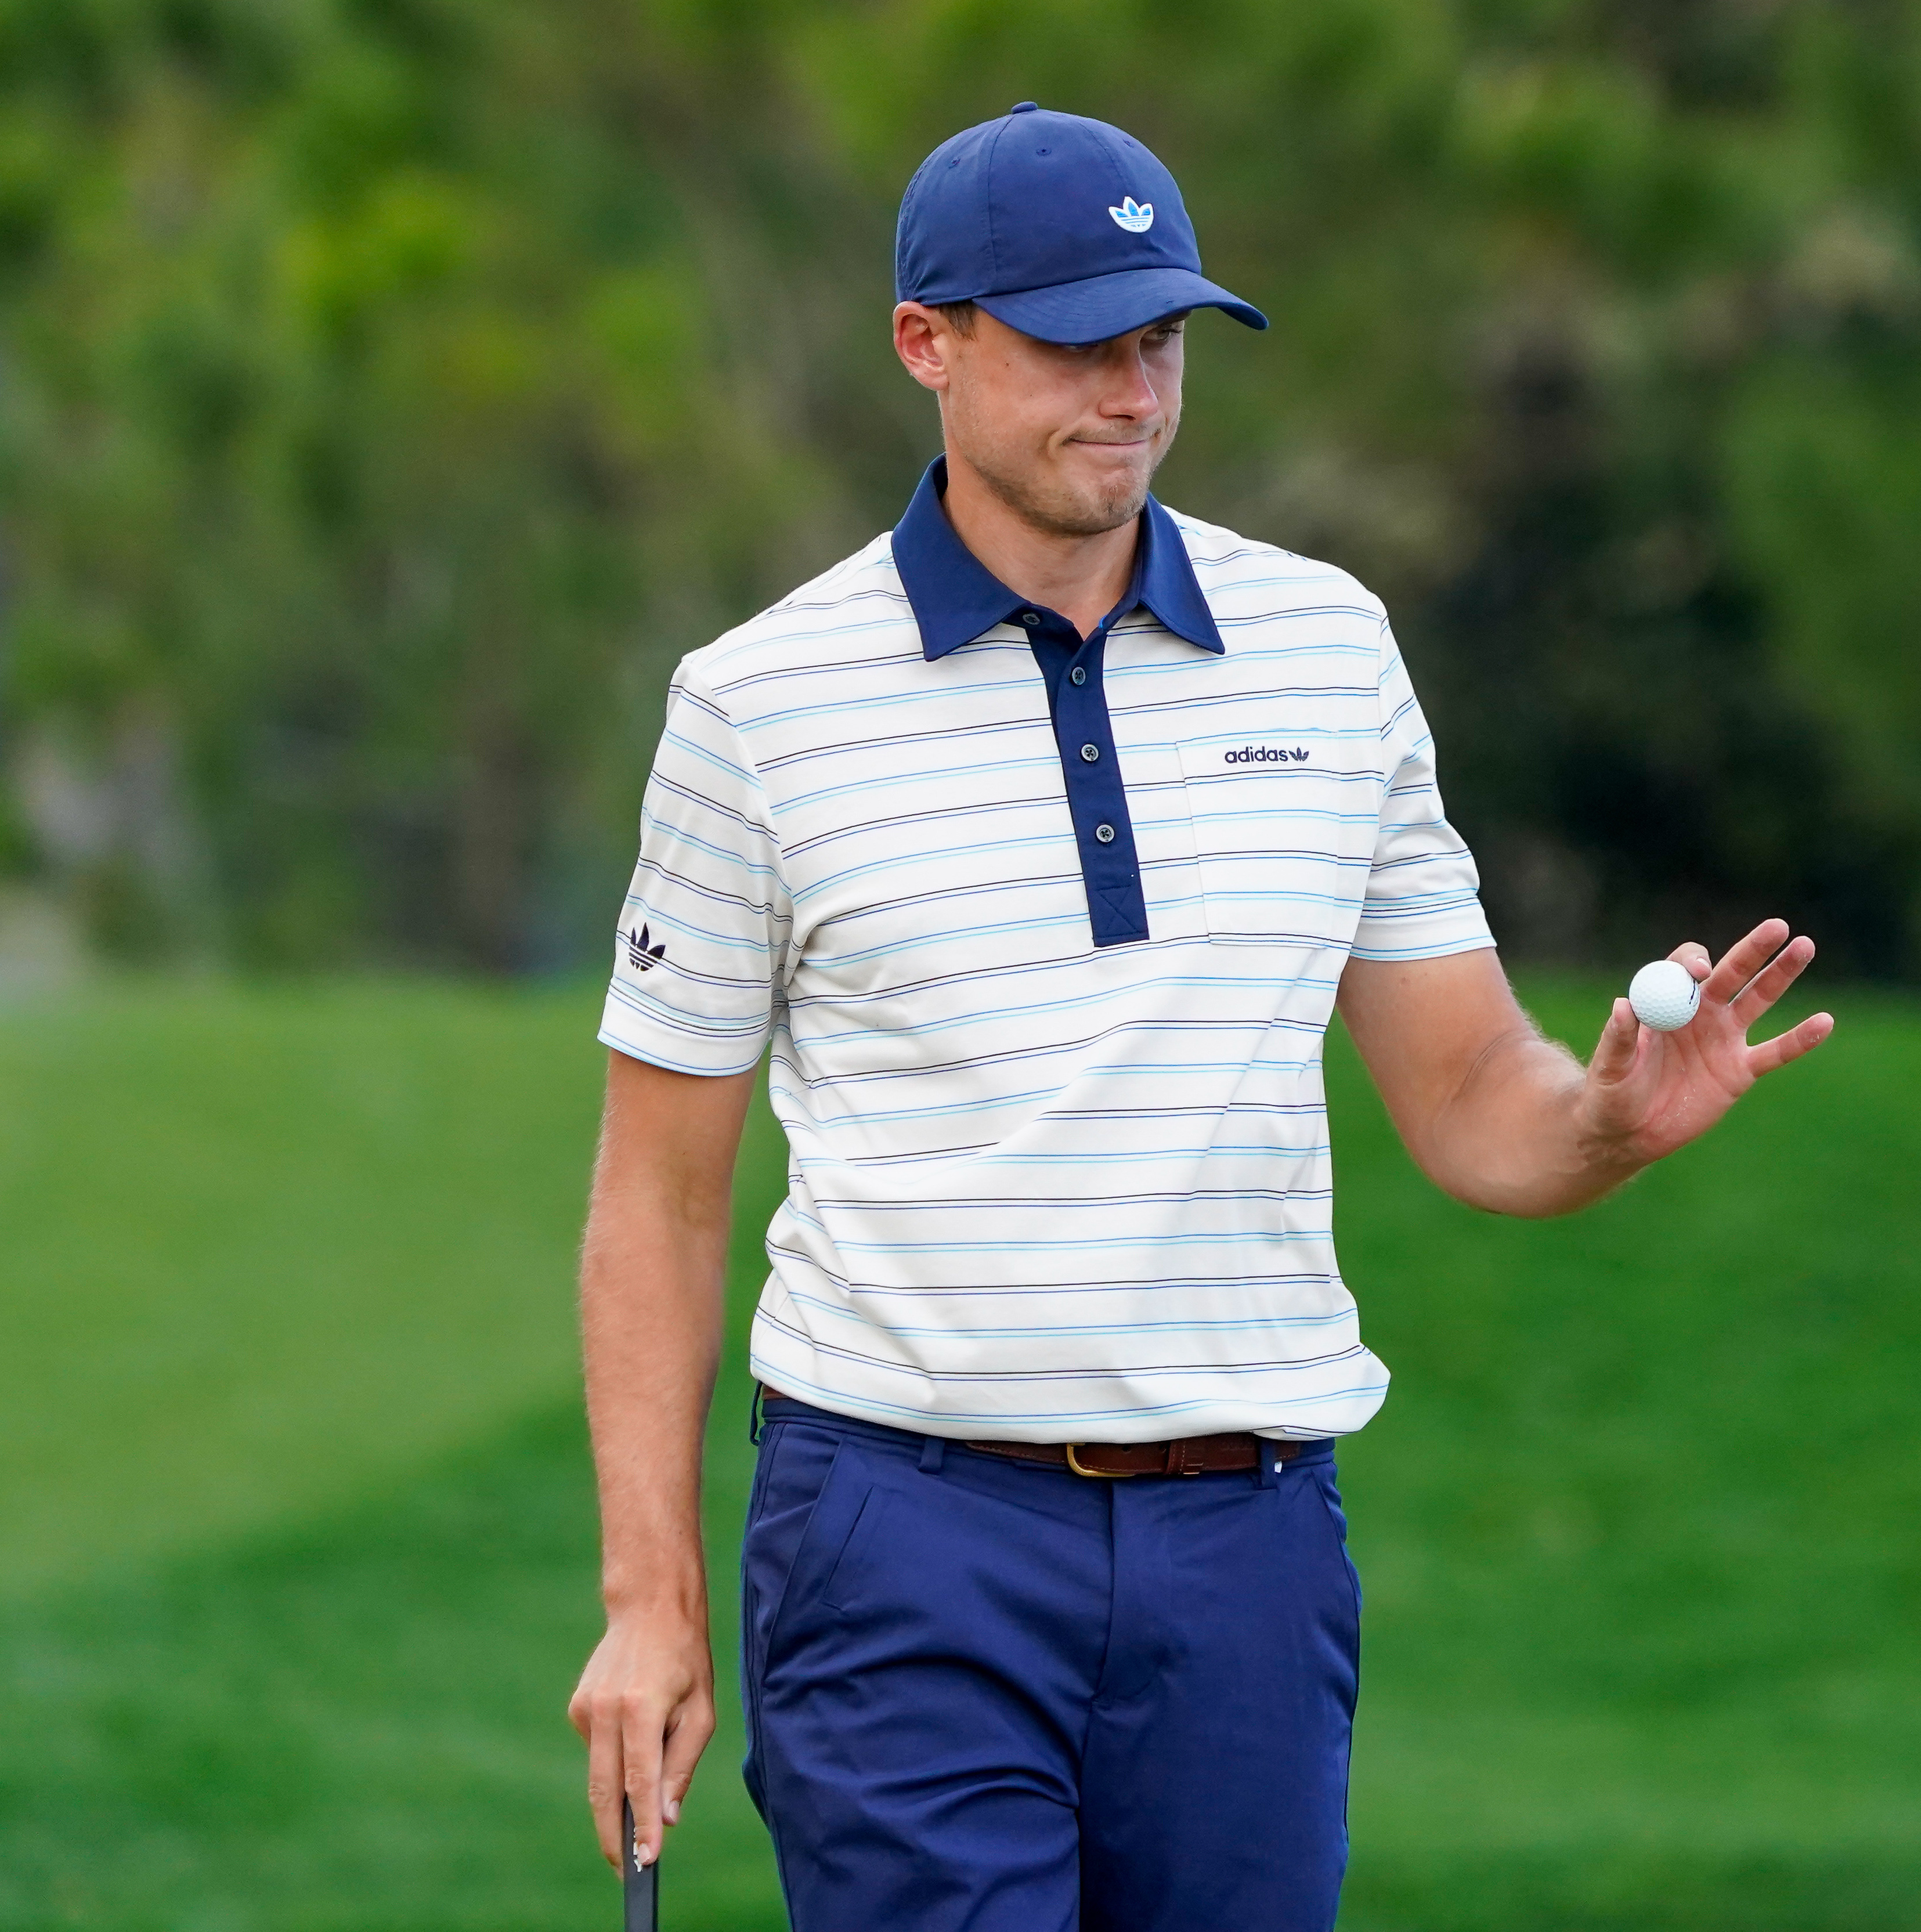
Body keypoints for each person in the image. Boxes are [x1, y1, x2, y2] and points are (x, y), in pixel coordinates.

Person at [562, 103, 1834, 1932]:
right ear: (927, 341)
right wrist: (649, 1592)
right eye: (1077, 336)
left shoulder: (1330, 645)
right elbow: (660, 1198)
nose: (1135, 386)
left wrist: (1607, 1121)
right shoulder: (757, 705)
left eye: (1160, 335)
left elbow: (1476, 1089)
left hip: (1246, 1539)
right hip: (900, 1532)